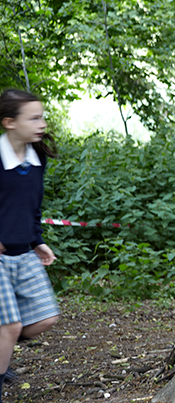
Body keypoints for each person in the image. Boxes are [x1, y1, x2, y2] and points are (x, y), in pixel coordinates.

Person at [0, 89, 61, 398]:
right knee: (9, 326)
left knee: (46, 316)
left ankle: (2, 348)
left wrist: (38, 240)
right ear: (9, 122)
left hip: (24, 252)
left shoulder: (36, 157)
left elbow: (32, 205)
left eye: (42, 116)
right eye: (34, 118)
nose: (42, 123)